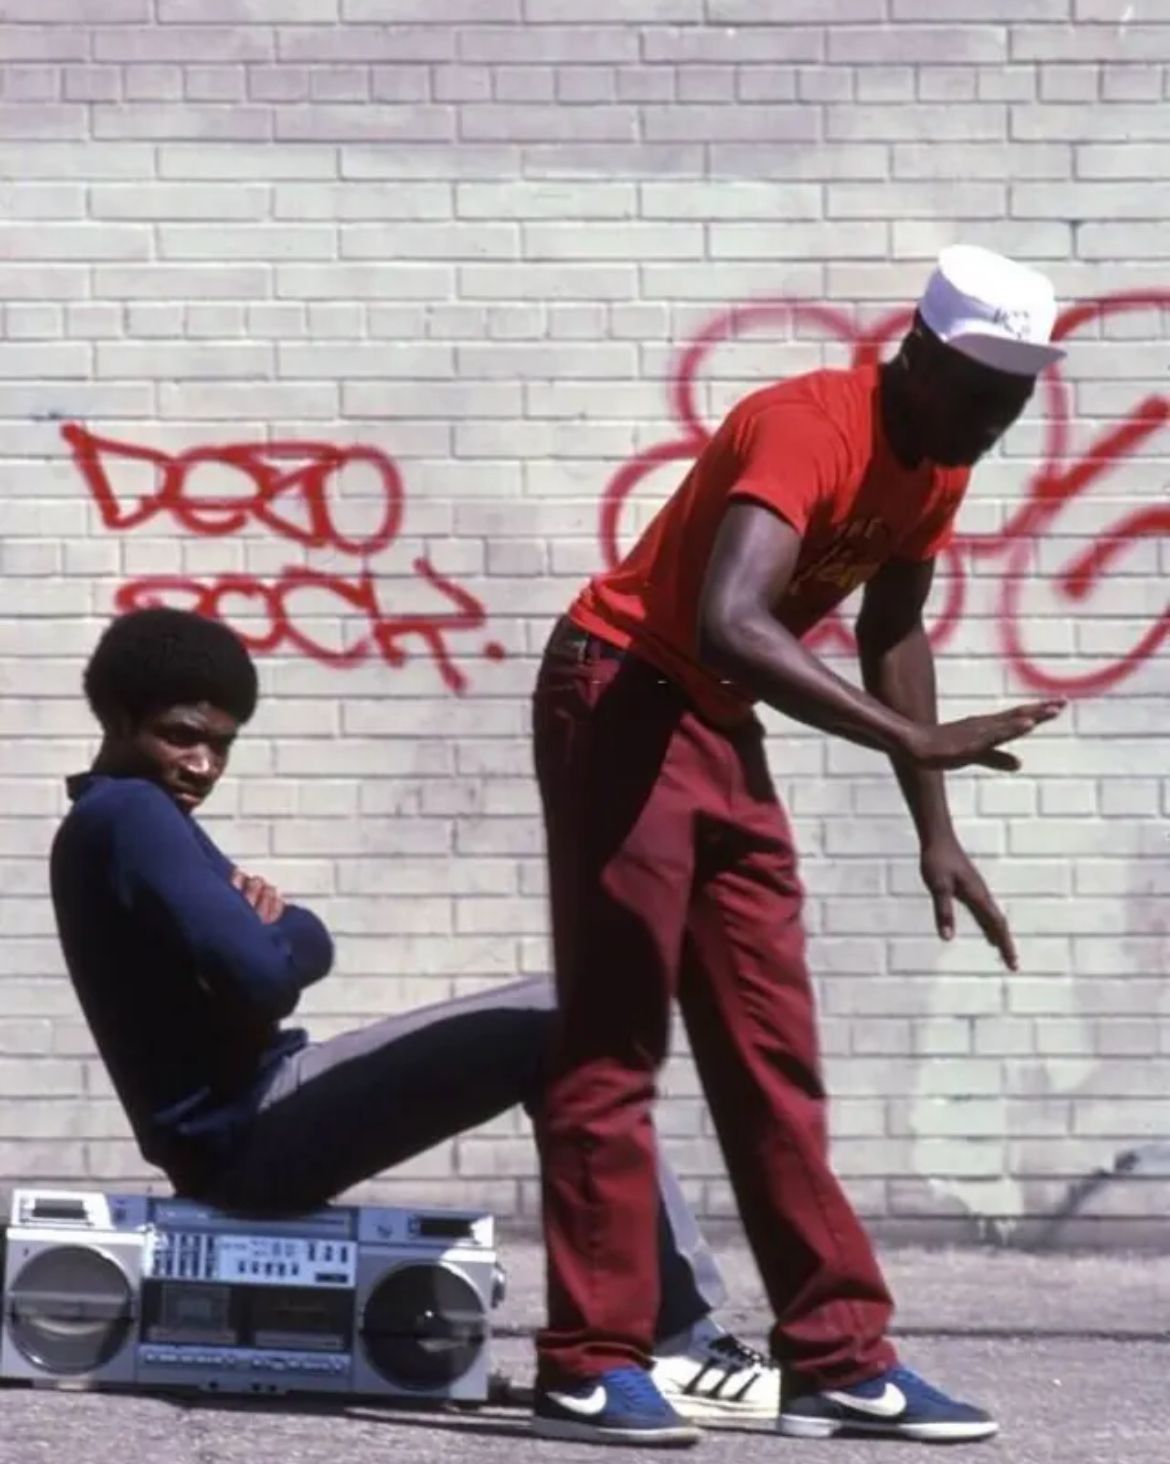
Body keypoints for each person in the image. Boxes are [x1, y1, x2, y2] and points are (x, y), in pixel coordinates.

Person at [528, 244, 1071, 1448]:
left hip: (715, 724)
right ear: (917, 352)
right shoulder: (805, 424)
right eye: (981, 389)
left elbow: (892, 626)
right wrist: (914, 743)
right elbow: (729, 618)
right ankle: (588, 1360)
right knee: (616, 1038)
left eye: (1017, 399)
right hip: (619, 692)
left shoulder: (935, 459)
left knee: (775, 1047)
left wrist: (935, 827)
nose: (996, 421)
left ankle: (833, 1357)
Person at [48, 604, 781, 1425]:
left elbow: (304, 940)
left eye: (221, 744)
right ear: (117, 717)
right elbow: (265, 975)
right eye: (182, 735)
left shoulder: (132, 823)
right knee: (563, 1015)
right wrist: (271, 931)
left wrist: (276, 931)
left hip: (262, 1108)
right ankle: (679, 1336)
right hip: (248, 1130)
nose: (203, 764)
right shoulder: (129, 817)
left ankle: (668, 1328)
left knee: (565, 1012)